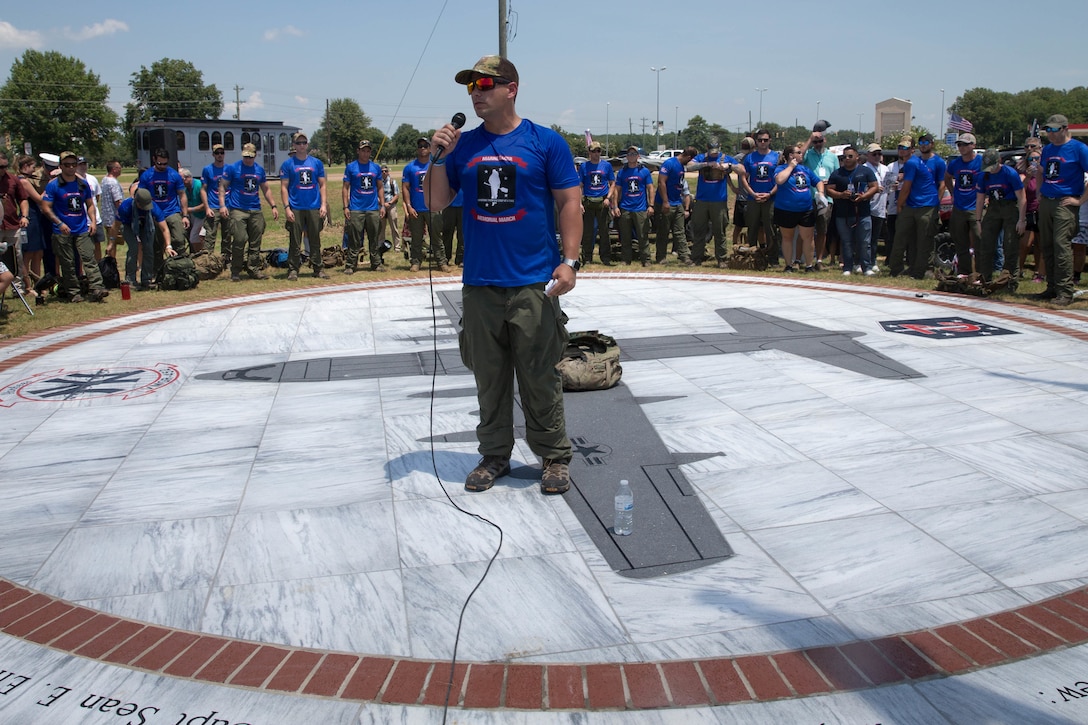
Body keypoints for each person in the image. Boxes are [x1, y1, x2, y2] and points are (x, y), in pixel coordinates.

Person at [424, 54, 580, 495]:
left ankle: (553, 456)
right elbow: (435, 203)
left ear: (511, 88)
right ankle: (495, 455)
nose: (477, 92)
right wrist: (438, 159)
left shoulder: (545, 142)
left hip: (533, 282)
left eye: (485, 84)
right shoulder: (463, 147)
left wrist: (569, 261)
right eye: (471, 86)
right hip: (481, 284)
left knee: (539, 373)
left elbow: (570, 203)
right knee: (488, 376)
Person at [1033, 114, 1088, 305]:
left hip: (1065, 202)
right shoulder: (1048, 149)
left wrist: (1080, 200)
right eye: (1048, 130)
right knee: (1046, 245)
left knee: (1061, 245)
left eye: (1054, 129)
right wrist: (1039, 191)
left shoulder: (1079, 148)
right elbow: (1040, 171)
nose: (1050, 133)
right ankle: (1052, 287)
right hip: (1047, 201)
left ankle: (1065, 291)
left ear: (1064, 129)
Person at [40, 151, 108, 302]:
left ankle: (97, 288)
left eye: (73, 165)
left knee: (89, 258)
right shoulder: (54, 185)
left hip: (82, 228)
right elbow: (45, 207)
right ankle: (73, 292)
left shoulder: (82, 184)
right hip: (62, 230)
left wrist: (92, 221)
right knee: (68, 262)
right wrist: (59, 222)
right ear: (61, 166)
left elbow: (90, 204)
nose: (71, 168)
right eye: (67, 165)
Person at [220, 142, 278, 282]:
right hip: (238, 209)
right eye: (245, 156)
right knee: (239, 239)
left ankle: (253, 269)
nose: (248, 159)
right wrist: (222, 205)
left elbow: (266, 189)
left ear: (255, 155)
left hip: (255, 209)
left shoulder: (259, 170)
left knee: (255, 242)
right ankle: (236, 271)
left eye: (250, 157)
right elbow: (222, 186)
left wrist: (273, 205)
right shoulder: (233, 168)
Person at [888, 135, 940, 279]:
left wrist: (899, 205)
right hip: (912, 204)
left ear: (912, 150)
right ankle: (896, 269)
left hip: (926, 204)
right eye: (900, 148)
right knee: (901, 237)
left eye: (906, 148)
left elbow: (907, 188)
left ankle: (918, 272)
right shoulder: (909, 164)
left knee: (923, 240)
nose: (902, 151)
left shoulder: (912, 163)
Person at [280, 132, 329, 280]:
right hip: (296, 207)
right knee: (295, 240)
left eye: (304, 142)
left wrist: (323, 205)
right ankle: (293, 269)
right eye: (298, 143)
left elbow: (322, 185)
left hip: (313, 206)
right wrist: (287, 208)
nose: (301, 145)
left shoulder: (316, 163)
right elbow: (283, 187)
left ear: (307, 144)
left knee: (315, 239)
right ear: (294, 145)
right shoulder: (288, 164)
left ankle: (317, 268)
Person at [975, 149, 1026, 288]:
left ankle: (1010, 280)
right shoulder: (983, 176)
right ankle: (985, 278)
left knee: (1010, 244)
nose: (990, 170)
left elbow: (1022, 198)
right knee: (986, 243)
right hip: (993, 207)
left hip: (1010, 207)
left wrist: (1022, 220)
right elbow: (980, 200)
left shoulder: (1010, 173)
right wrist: (978, 221)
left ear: (999, 162)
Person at [826, 146, 879, 275]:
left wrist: (864, 196)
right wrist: (841, 195)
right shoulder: (837, 173)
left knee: (865, 242)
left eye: (850, 156)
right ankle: (847, 267)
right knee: (846, 242)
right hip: (843, 213)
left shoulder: (865, 171)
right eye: (844, 157)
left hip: (863, 212)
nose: (847, 159)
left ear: (857, 157)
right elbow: (829, 189)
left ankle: (866, 267)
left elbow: (874, 186)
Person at [686, 138, 739, 267]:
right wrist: (706, 164)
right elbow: (688, 167)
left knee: (719, 230)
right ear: (707, 148)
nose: (714, 154)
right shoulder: (701, 158)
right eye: (711, 151)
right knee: (698, 230)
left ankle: (721, 259)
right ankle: (696, 257)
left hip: (719, 201)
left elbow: (741, 169)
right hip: (702, 200)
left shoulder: (726, 158)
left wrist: (729, 166)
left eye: (716, 151)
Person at [774, 143, 824, 272]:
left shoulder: (805, 169)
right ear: (791, 155)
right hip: (786, 209)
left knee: (808, 237)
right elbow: (779, 180)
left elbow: (817, 181)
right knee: (787, 237)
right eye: (799, 152)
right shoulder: (780, 169)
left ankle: (809, 265)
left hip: (806, 209)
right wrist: (791, 167)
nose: (802, 154)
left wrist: (821, 193)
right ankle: (789, 265)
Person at [402, 137, 448, 272]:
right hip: (416, 208)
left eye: (425, 146)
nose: (422, 148)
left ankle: (441, 261)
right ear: (417, 149)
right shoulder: (410, 167)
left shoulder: (436, 164)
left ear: (430, 148)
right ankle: (416, 262)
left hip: (432, 207)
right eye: (420, 146)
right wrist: (409, 206)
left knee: (436, 237)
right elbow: (405, 187)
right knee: (416, 238)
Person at [139, 148, 189, 269]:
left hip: (171, 211)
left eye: (165, 164)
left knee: (179, 238)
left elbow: (182, 195)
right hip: (154, 213)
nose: (162, 166)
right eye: (159, 163)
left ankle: (181, 267)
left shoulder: (173, 175)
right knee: (156, 244)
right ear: (154, 160)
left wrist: (185, 215)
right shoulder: (147, 175)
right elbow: (140, 195)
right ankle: (159, 271)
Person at [343, 139, 385, 273]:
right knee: (354, 239)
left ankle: (376, 263)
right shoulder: (351, 167)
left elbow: (380, 187)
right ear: (358, 151)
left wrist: (382, 205)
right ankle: (351, 265)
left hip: (372, 208)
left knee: (374, 238)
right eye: (363, 151)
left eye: (368, 151)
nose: (365, 154)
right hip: (356, 208)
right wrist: (345, 206)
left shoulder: (375, 167)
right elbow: (345, 188)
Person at [800, 130, 839, 269]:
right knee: (806, 230)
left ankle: (819, 259)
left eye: (819, 141)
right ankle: (801, 259)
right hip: (808, 197)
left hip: (826, 198)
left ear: (825, 140)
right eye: (815, 142)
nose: (817, 144)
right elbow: (798, 156)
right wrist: (810, 139)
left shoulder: (832, 157)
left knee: (822, 230)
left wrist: (830, 182)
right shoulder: (808, 154)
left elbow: (837, 175)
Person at [119, 188, 172, 289]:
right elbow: (116, 224)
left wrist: (168, 246)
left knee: (148, 250)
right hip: (128, 225)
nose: (145, 208)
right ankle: (131, 280)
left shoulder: (154, 207)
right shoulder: (125, 207)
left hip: (146, 225)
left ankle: (146, 279)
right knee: (133, 249)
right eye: (142, 205)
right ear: (136, 201)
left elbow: (164, 228)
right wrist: (112, 241)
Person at [945, 133, 982, 275]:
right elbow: (947, 178)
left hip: (975, 207)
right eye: (959, 144)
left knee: (979, 240)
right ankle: (964, 272)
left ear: (973, 145)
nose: (961, 147)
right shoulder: (955, 163)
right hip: (959, 207)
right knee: (960, 242)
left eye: (965, 144)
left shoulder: (981, 161)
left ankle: (980, 273)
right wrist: (953, 193)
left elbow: (989, 178)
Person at [612, 145, 655, 266]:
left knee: (642, 235)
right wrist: (615, 206)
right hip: (625, 207)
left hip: (640, 208)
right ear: (627, 157)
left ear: (638, 156)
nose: (631, 156)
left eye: (634, 154)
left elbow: (650, 188)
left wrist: (651, 205)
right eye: (629, 154)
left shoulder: (644, 171)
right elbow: (617, 190)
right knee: (625, 236)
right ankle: (626, 259)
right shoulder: (622, 172)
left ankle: (646, 259)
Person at [742, 130, 780, 261]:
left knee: (771, 229)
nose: (762, 142)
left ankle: (773, 257)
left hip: (771, 198)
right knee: (752, 227)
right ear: (756, 142)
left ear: (770, 141)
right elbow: (743, 178)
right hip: (753, 198)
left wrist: (770, 194)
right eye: (760, 140)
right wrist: (752, 193)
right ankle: (752, 255)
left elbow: (780, 180)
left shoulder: (776, 157)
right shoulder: (750, 158)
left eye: (765, 140)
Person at [655, 145, 695, 266]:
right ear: (687, 156)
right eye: (691, 159)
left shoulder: (682, 167)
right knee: (663, 231)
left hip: (677, 202)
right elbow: (661, 182)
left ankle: (684, 256)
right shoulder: (669, 164)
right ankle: (661, 257)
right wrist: (665, 202)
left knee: (680, 231)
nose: (690, 161)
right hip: (666, 203)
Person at [579, 140, 615, 265]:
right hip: (589, 201)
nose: (596, 153)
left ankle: (605, 257)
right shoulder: (584, 166)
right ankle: (587, 257)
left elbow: (612, 183)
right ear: (589, 152)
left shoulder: (606, 166)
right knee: (588, 231)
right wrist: (580, 203)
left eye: (598, 151)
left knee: (604, 231)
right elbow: (580, 186)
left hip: (602, 201)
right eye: (593, 151)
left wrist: (608, 198)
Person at [15, 155, 47, 296]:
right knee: (28, 254)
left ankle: (38, 283)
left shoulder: (28, 179)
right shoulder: (24, 181)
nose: (34, 170)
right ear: (25, 166)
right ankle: (27, 286)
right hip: (30, 218)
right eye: (33, 167)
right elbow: (39, 199)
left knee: (38, 253)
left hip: (36, 218)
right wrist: (50, 186)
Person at [0, 152, 29, 296]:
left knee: (16, 257)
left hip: (12, 224)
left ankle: (18, 287)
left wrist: (24, 216)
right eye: (0, 166)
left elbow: (23, 199)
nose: (3, 169)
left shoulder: (13, 179)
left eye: (5, 166)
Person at [200, 144, 233, 265]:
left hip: (228, 206)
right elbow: (203, 189)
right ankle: (207, 262)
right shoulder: (208, 169)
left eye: (222, 153)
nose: (220, 155)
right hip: (213, 207)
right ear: (213, 154)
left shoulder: (230, 169)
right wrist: (207, 207)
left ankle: (226, 261)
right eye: (217, 153)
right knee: (210, 236)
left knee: (227, 235)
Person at [1017, 139, 1043, 281]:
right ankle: (1018, 270)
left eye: (1036, 158)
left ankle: (1038, 272)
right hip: (1027, 210)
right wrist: (1028, 177)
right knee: (1025, 244)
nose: (1033, 160)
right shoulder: (1022, 171)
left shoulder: (1044, 172)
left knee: (1040, 243)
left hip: (1041, 210)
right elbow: (1021, 192)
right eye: (1026, 146)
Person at [863, 143, 888, 273]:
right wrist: (873, 189)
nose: (877, 156)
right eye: (874, 154)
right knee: (864, 238)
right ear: (868, 155)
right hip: (867, 207)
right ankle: (862, 261)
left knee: (874, 238)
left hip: (880, 207)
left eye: (879, 153)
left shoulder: (885, 169)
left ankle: (872, 261)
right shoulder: (864, 168)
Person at [77, 156, 105, 260]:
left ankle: (98, 267)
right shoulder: (73, 181)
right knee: (82, 248)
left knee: (97, 245)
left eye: (84, 164)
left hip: (95, 219)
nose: (83, 167)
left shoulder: (92, 179)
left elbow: (97, 197)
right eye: (80, 164)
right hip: (82, 221)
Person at [100, 160, 124, 258]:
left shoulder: (104, 180)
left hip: (106, 216)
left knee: (110, 240)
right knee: (113, 243)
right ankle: (111, 264)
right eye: (119, 167)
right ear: (114, 169)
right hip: (114, 218)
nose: (120, 169)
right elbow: (118, 201)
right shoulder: (113, 182)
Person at [377, 164, 401, 252]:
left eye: (385, 171)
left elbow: (396, 195)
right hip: (381, 206)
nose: (384, 173)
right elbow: (376, 195)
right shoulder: (378, 182)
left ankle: (397, 246)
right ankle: (380, 245)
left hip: (391, 206)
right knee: (381, 227)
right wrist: (382, 203)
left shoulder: (392, 181)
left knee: (394, 227)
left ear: (388, 172)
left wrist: (390, 203)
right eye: (382, 171)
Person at [180, 168, 205, 253]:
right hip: (191, 215)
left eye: (181, 179)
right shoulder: (184, 188)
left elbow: (205, 204)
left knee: (194, 237)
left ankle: (200, 255)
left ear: (188, 177)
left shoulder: (199, 185)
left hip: (202, 215)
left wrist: (190, 209)